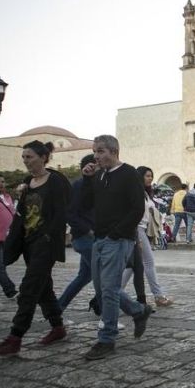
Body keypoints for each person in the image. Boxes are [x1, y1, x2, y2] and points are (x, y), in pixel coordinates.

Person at [0, 141, 71, 356]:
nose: (26, 161)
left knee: (29, 288)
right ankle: (58, 327)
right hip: (28, 243)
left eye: (30, 157)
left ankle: (15, 336)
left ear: (43, 157)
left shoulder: (55, 181)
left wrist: (48, 236)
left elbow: (61, 212)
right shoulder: (27, 182)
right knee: (43, 288)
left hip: (46, 243)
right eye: (24, 157)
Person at [80, 135, 153, 360]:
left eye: (101, 151)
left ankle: (106, 338)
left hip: (118, 239)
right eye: (95, 151)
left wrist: (117, 233)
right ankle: (139, 311)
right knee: (103, 288)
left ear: (113, 151)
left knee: (109, 290)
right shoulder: (99, 175)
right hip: (99, 239)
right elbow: (85, 204)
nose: (96, 155)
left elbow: (136, 209)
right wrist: (87, 180)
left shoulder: (129, 173)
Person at [121, 166, 174, 307]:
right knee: (149, 263)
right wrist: (136, 237)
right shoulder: (136, 192)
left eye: (151, 176)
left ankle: (115, 292)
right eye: (147, 176)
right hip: (136, 230)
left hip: (143, 230)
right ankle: (158, 296)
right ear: (140, 176)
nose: (150, 178)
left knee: (132, 266)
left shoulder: (145, 193)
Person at [57, 154, 97, 311]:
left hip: (89, 237)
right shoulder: (79, 185)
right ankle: (134, 309)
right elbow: (70, 213)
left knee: (84, 276)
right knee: (104, 278)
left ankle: (58, 308)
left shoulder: (97, 185)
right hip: (85, 238)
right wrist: (88, 230)